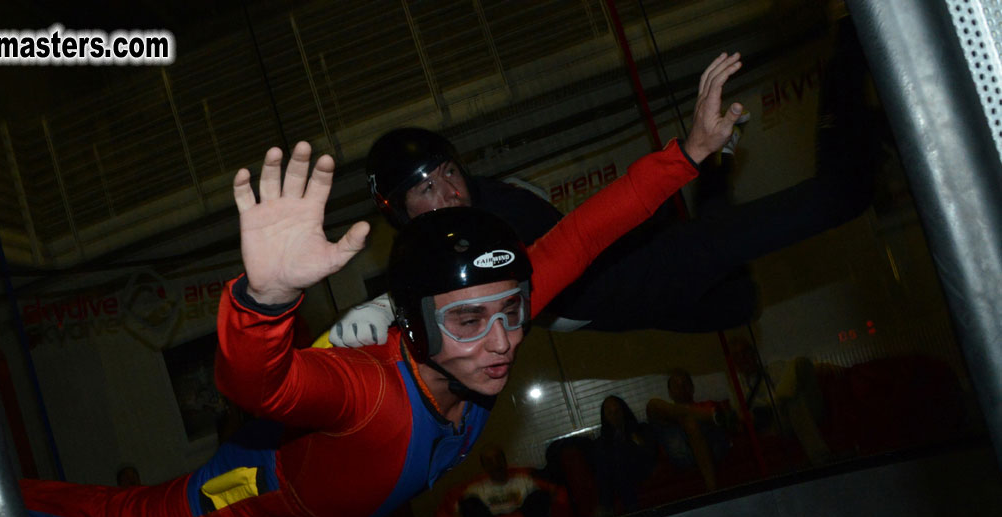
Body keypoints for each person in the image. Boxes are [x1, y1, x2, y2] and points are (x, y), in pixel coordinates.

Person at [20, 54, 745, 517]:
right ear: (414, 324)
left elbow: (584, 235)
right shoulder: (366, 394)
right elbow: (257, 387)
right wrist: (263, 301)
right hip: (271, 484)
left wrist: (688, 153)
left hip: (352, 485)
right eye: (469, 321)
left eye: (512, 312)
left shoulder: (485, 305)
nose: (501, 341)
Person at [329, 20, 875, 346]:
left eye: (449, 173)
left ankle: (852, 44)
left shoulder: (486, 217)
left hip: (644, 266)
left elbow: (586, 230)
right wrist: (381, 310)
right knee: (740, 301)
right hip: (632, 302)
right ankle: (721, 160)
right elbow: (434, 284)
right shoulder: (438, 249)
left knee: (840, 197)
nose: (449, 192)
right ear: (400, 213)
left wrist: (690, 152)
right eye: (426, 189)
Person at [728, 336, 832, 465]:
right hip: (776, 423)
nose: (743, 358)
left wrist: (823, 367)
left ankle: (781, 399)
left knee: (799, 364)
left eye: (745, 352)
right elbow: (740, 418)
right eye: (737, 356)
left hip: (806, 409)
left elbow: (799, 370)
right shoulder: (738, 390)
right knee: (791, 402)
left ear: (754, 353)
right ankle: (821, 458)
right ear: (734, 363)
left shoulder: (776, 369)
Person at [455, 445, 555, 517]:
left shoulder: (523, 481)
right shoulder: (476, 490)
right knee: (469, 505)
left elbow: (545, 500)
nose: (496, 464)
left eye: (498, 459)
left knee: (540, 496)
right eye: (490, 462)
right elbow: (458, 513)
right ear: (484, 467)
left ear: (505, 461)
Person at [646, 369, 733, 491]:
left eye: (685, 384)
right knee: (653, 404)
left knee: (690, 423)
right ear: (670, 393)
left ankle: (712, 488)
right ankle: (701, 416)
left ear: (692, 388)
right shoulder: (666, 416)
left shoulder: (709, 405)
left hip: (713, 449)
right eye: (676, 386)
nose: (681, 388)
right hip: (682, 453)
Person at [587, 395, 658, 517]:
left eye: (617, 411)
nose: (614, 415)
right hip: (618, 475)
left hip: (640, 467)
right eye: (609, 413)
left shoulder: (639, 430)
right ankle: (611, 505)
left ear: (624, 411)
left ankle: (607, 505)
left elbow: (648, 454)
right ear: (605, 417)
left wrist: (630, 440)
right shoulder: (602, 442)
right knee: (614, 462)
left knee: (620, 461)